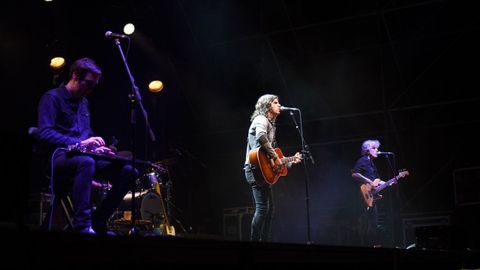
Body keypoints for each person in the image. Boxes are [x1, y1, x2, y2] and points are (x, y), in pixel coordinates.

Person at [37, 57, 136, 234]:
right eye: (88, 83)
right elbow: (45, 133)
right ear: (75, 75)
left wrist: (96, 148)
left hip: (84, 156)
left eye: (94, 85)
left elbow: (86, 134)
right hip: (59, 157)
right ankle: (82, 225)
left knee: (129, 172)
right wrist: (80, 143)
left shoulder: (84, 103)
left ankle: (98, 220)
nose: (90, 89)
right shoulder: (51, 98)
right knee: (86, 162)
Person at [243, 94, 302, 241]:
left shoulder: (272, 126)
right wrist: (275, 157)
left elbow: (272, 157)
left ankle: (265, 241)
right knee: (263, 209)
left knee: (269, 211)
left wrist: (290, 161)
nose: (279, 105)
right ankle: (254, 241)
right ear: (268, 105)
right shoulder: (261, 120)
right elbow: (261, 137)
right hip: (254, 169)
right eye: (276, 103)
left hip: (263, 170)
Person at [351, 139, 386, 247]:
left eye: (377, 148)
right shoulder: (363, 160)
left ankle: (373, 245)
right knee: (364, 224)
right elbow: (354, 174)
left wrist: (390, 181)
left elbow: (377, 181)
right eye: (374, 148)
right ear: (367, 150)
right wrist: (369, 181)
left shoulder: (371, 164)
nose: (377, 150)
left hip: (372, 198)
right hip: (363, 197)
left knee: (373, 224)